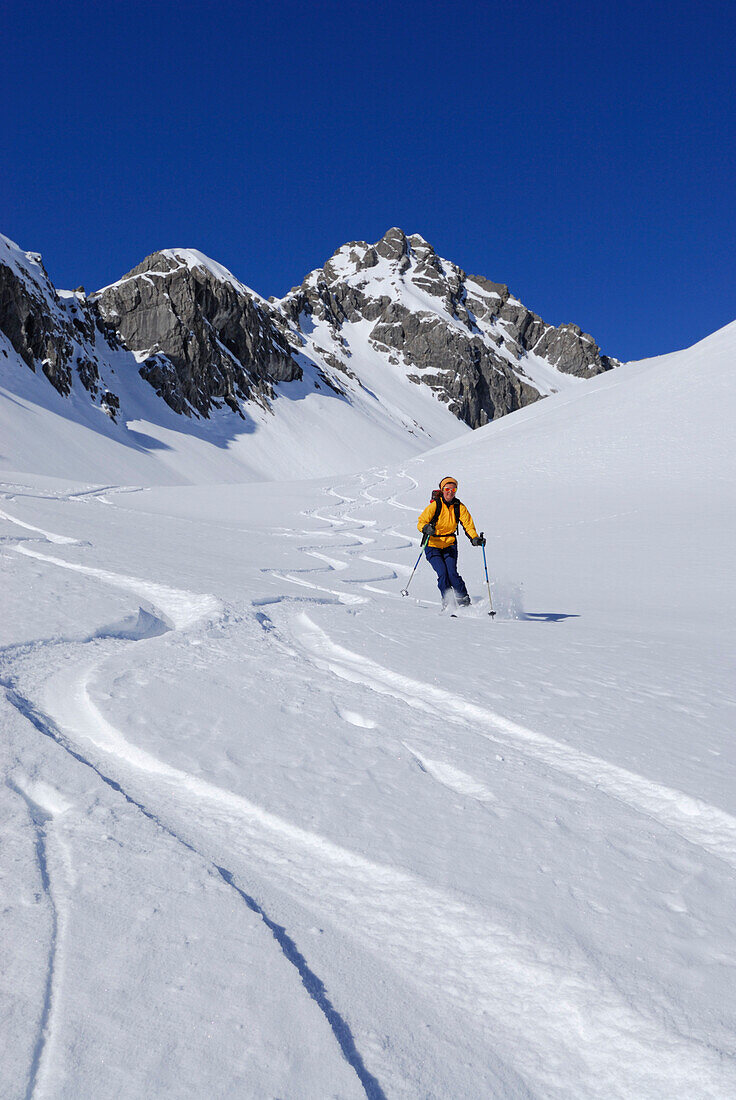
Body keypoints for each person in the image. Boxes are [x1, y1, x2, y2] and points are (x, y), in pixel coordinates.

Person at [417, 476, 486, 609]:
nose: (450, 492)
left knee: (452, 573)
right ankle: (447, 601)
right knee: (442, 573)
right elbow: (421, 522)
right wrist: (426, 528)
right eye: (447, 489)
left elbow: (468, 525)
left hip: (449, 544)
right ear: (442, 490)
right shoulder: (435, 505)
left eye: (453, 489)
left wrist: (475, 538)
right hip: (432, 545)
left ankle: (463, 599)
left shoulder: (459, 507)